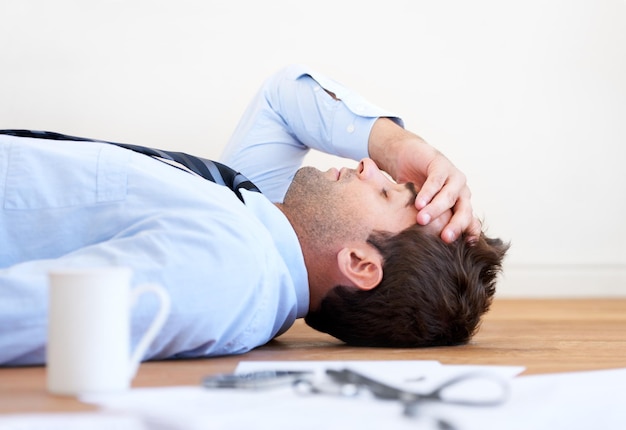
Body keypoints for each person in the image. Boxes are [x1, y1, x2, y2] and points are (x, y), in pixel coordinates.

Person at [0, 64, 508, 366]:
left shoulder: (230, 270)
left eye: (387, 194)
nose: (368, 167)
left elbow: (32, 312)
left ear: (359, 263)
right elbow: (283, 97)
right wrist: (400, 145)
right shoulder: (262, 222)